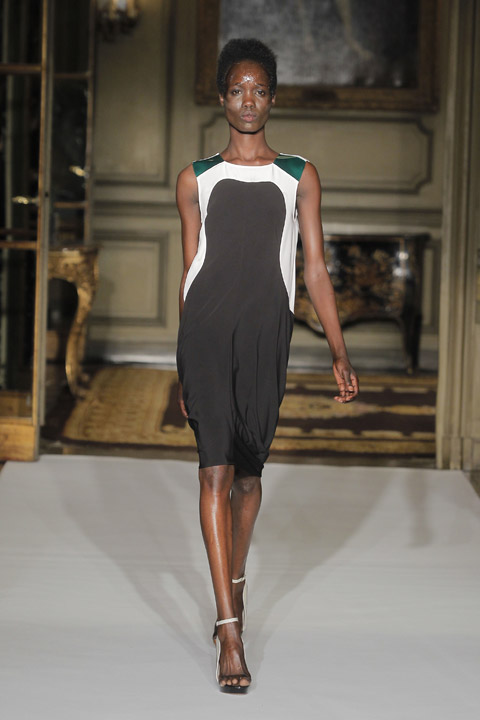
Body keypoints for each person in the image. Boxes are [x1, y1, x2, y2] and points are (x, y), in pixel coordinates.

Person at [175, 38, 359, 693]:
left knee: (249, 478)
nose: (247, 100)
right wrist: (182, 365)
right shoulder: (196, 179)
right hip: (206, 333)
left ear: (273, 98)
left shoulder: (298, 175)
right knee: (214, 470)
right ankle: (230, 630)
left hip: (265, 336)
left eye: (258, 90)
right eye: (237, 90)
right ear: (222, 98)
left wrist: (338, 348)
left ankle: (235, 583)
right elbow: (190, 271)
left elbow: (314, 269)